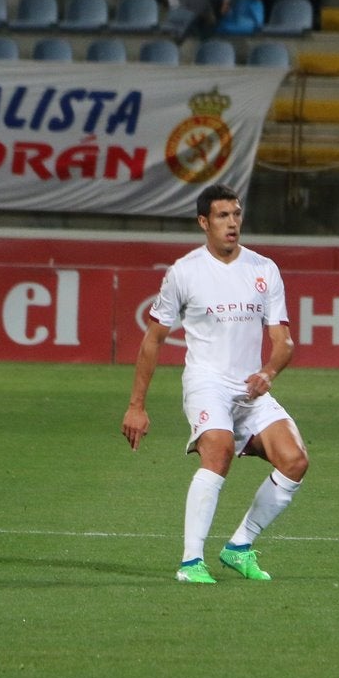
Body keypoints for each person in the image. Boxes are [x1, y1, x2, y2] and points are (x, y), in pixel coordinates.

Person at [121, 185, 309, 585]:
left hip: (251, 388)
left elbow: (284, 343)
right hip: (207, 382)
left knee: (295, 461)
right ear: (203, 222)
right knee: (219, 450)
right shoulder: (185, 272)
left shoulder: (263, 270)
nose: (233, 223)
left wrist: (268, 373)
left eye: (237, 214)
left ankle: (239, 547)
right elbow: (152, 340)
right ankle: (191, 562)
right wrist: (137, 405)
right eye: (223, 216)